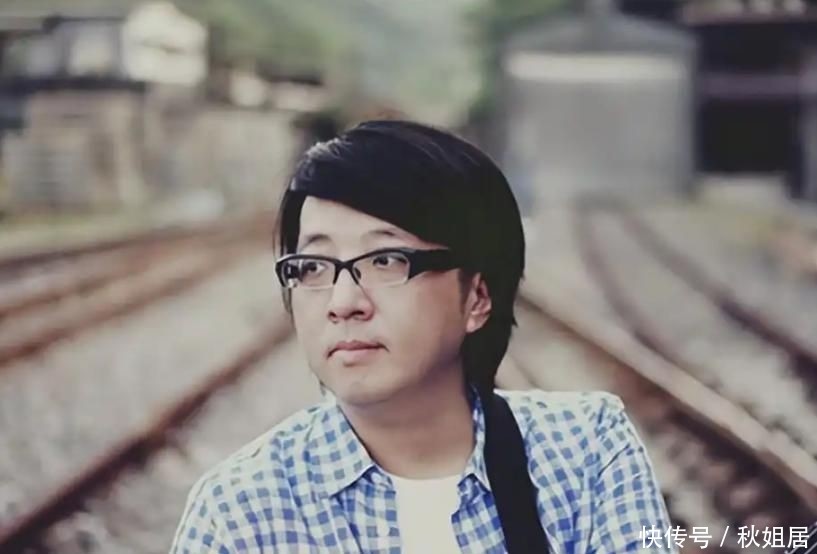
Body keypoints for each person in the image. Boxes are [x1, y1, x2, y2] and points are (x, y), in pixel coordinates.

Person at [170, 120, 673, 553]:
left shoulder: (584, 451)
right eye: (313, 266)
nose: (343, 301)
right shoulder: (238, 512)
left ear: (477, 297)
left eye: (386, 260)